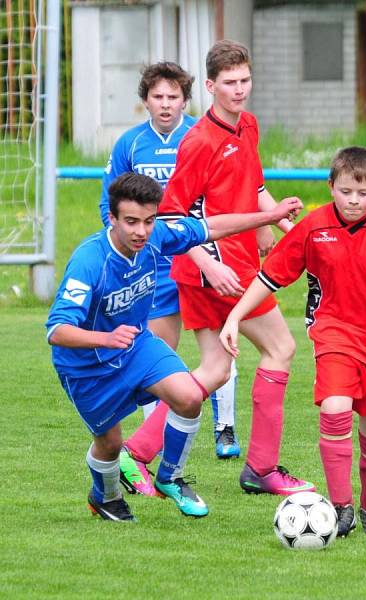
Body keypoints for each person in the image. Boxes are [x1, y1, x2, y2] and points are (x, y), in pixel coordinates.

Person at [46, 173, 302, 521]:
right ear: (112, 218)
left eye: (149, 221)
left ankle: (170, 476)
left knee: (188, 395)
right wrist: (105, 338)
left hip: (136, 348)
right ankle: (105, 498)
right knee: (110, 442)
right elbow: (58, 330)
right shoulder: (90, 260)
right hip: (86, 365)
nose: (141, 231)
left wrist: (269, 216)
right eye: (131, 222)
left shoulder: (156, 237)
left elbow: (211, 227)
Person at [219, 146, 366, 537]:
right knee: (335, 409)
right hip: (333, 334)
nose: (353, 201)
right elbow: (271, 274)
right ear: (331, 187)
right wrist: (235, 316)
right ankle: (341, 508)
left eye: (362, 193)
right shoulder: (314, 227)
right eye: (344, 192)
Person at [123, 39, 314, 496]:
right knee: (281, 348)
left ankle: (134, 454)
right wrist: (208, 265)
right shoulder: (199, 142)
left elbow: (257, 188)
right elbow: (169, 218)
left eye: (245, 80)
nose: (239, 90)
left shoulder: (248, 125)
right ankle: (262, 469)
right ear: (210, 86)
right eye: (229, 83)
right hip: (216, 270)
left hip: (229, 265)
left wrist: (293, 232)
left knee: (215, 369)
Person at [100, 63, 242, 495]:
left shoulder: (201, 137)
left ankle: (225, 428)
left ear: (186, 100)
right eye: (158, 97)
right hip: (154, 273)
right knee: (158, 359)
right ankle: (143, 456)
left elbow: (226, 198)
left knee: (221, 347)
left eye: (174, 97)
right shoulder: (130, 143)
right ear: (147, 100)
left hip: (203, 262)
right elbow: (110, 207)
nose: (166, 104)